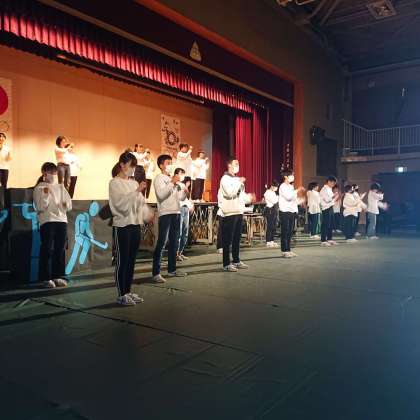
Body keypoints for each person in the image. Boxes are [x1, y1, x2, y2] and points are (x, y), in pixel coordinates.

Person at [109, 152, 151, 306]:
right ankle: (121, 294)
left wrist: (147, 213)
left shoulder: (133, 183)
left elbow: (140, 203)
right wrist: (137, 191)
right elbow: (120, 205)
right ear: (122, 165)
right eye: (130, 166)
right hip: (122, 225)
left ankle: (128, 290)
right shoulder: (114, 183)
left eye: (134, 166)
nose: (133, 169)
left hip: (134, 224)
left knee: (132, 260)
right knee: (123, 260)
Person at [33, 162, 72, 288]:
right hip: (47, 220)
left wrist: (65, 203)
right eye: (50, 172)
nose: (53, 175)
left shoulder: (61, 187)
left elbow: (68, 206)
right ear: (44, 173)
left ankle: (58, 276)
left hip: (62, 220)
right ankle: (45, 278)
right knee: (47, 249)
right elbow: (40, 207)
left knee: (60, 249)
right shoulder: (39, 187)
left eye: (54, 172)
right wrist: (45, 194)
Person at [152, 155, 189, 283]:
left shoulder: (173, 180)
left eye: (171, 163)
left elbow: (179, 198)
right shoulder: (159, 178)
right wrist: (172, 182)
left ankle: (172, 269)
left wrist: (184, 192)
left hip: (176, 212)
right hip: (165, 213)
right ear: (161, 165)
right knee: (162, 242)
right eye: (168, 163)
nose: (170, 165)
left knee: (174, 242)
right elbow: (161, 195)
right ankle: (156, 272)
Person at [218, 157, 254, 272]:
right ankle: (226, 264)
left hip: (238, 211)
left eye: (238, 164)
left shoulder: (237, 179)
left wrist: (249, 198)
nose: (238, 165)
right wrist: (239, 182)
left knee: (236, 239)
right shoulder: (225, 179)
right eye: (235, 163)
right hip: (229, 212)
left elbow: (241, 195)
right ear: (229, 165)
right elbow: (229, 193)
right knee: (227, 240)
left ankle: (236, 260)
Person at [278, 171, 305, 257]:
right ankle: (284, 251)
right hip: (285, 211)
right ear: (286, 176)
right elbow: (288, 197)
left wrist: (300, 200)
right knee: (285, 231)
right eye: (291, 175)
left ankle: (288, 249)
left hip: (292, 211)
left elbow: (293, 199)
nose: (293, 177)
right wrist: (297, 190)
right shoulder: (282, 186)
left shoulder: (291, 186)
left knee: (290, 232)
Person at [176, 168, 194, 261]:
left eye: (183, 174)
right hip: (179, 209)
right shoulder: (175, 185)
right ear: (176, 174)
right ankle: (176, 253)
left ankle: (180, 252)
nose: (182, 175)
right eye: (181, 173)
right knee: (179, 232)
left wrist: (190, 205)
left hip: (185, 208)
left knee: (185, 232)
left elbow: (186, 198)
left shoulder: (183, 185)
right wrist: (186, 188)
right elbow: (180, 198)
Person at [320, 176, 339, 246]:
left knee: (330, 224)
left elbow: (331, 200)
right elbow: (327, 200)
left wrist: (334, 197)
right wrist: (334, 196)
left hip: (330, 207)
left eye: (334, 183)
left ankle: (329, 239)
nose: (333, 184)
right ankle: (323, 240)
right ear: (328, 181)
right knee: (325, 224)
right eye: (333, 183)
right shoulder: (324, 189)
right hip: (326, 208)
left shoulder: (329, 189)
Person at [264, 181, 279, 248]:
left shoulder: (273, 192)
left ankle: (272, 240)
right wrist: (278, 197)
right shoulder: (268, 192)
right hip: (270, 210)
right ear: (272, 186)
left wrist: (277, 197)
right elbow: (274, 201)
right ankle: (268, 241)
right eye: (276, 187)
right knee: (270, 226)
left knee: (274, 226)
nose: (277, 188)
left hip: (274, 210)